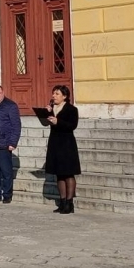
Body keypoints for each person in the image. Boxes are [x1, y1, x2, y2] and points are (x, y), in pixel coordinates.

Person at [43, 85, 81, 214]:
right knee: (59, 173)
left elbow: (72, 125)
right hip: (55, 143)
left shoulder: (71, 109)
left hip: (67, 144)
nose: (54, 96)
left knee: (68, 173)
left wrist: (58, 121)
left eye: (57, 93)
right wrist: (47, 113)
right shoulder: (52, 108)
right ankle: (62, 201)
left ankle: (70, 203)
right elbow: (46, 122)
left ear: (64, 96)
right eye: (53, 93)